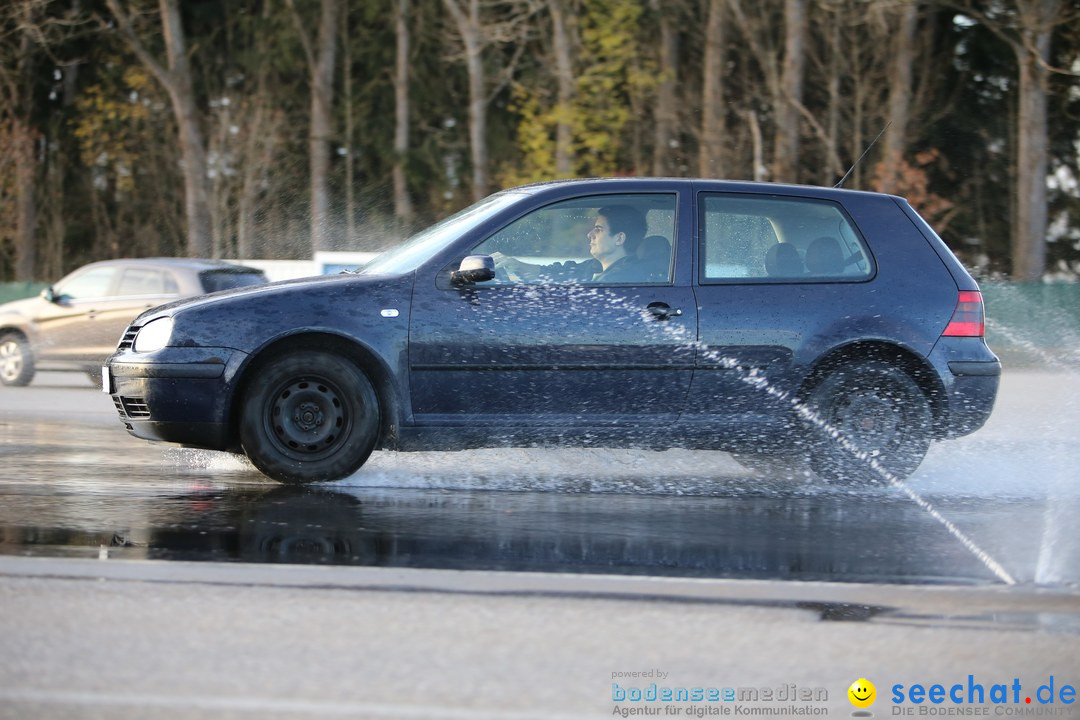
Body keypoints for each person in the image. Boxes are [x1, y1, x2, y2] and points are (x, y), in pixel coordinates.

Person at [491, 204, 648, 284]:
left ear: (619, 238)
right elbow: (558, 273)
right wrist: (517, 265)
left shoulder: (626, 279)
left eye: (598, 230)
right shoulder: (594, 267)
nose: (590, 235)